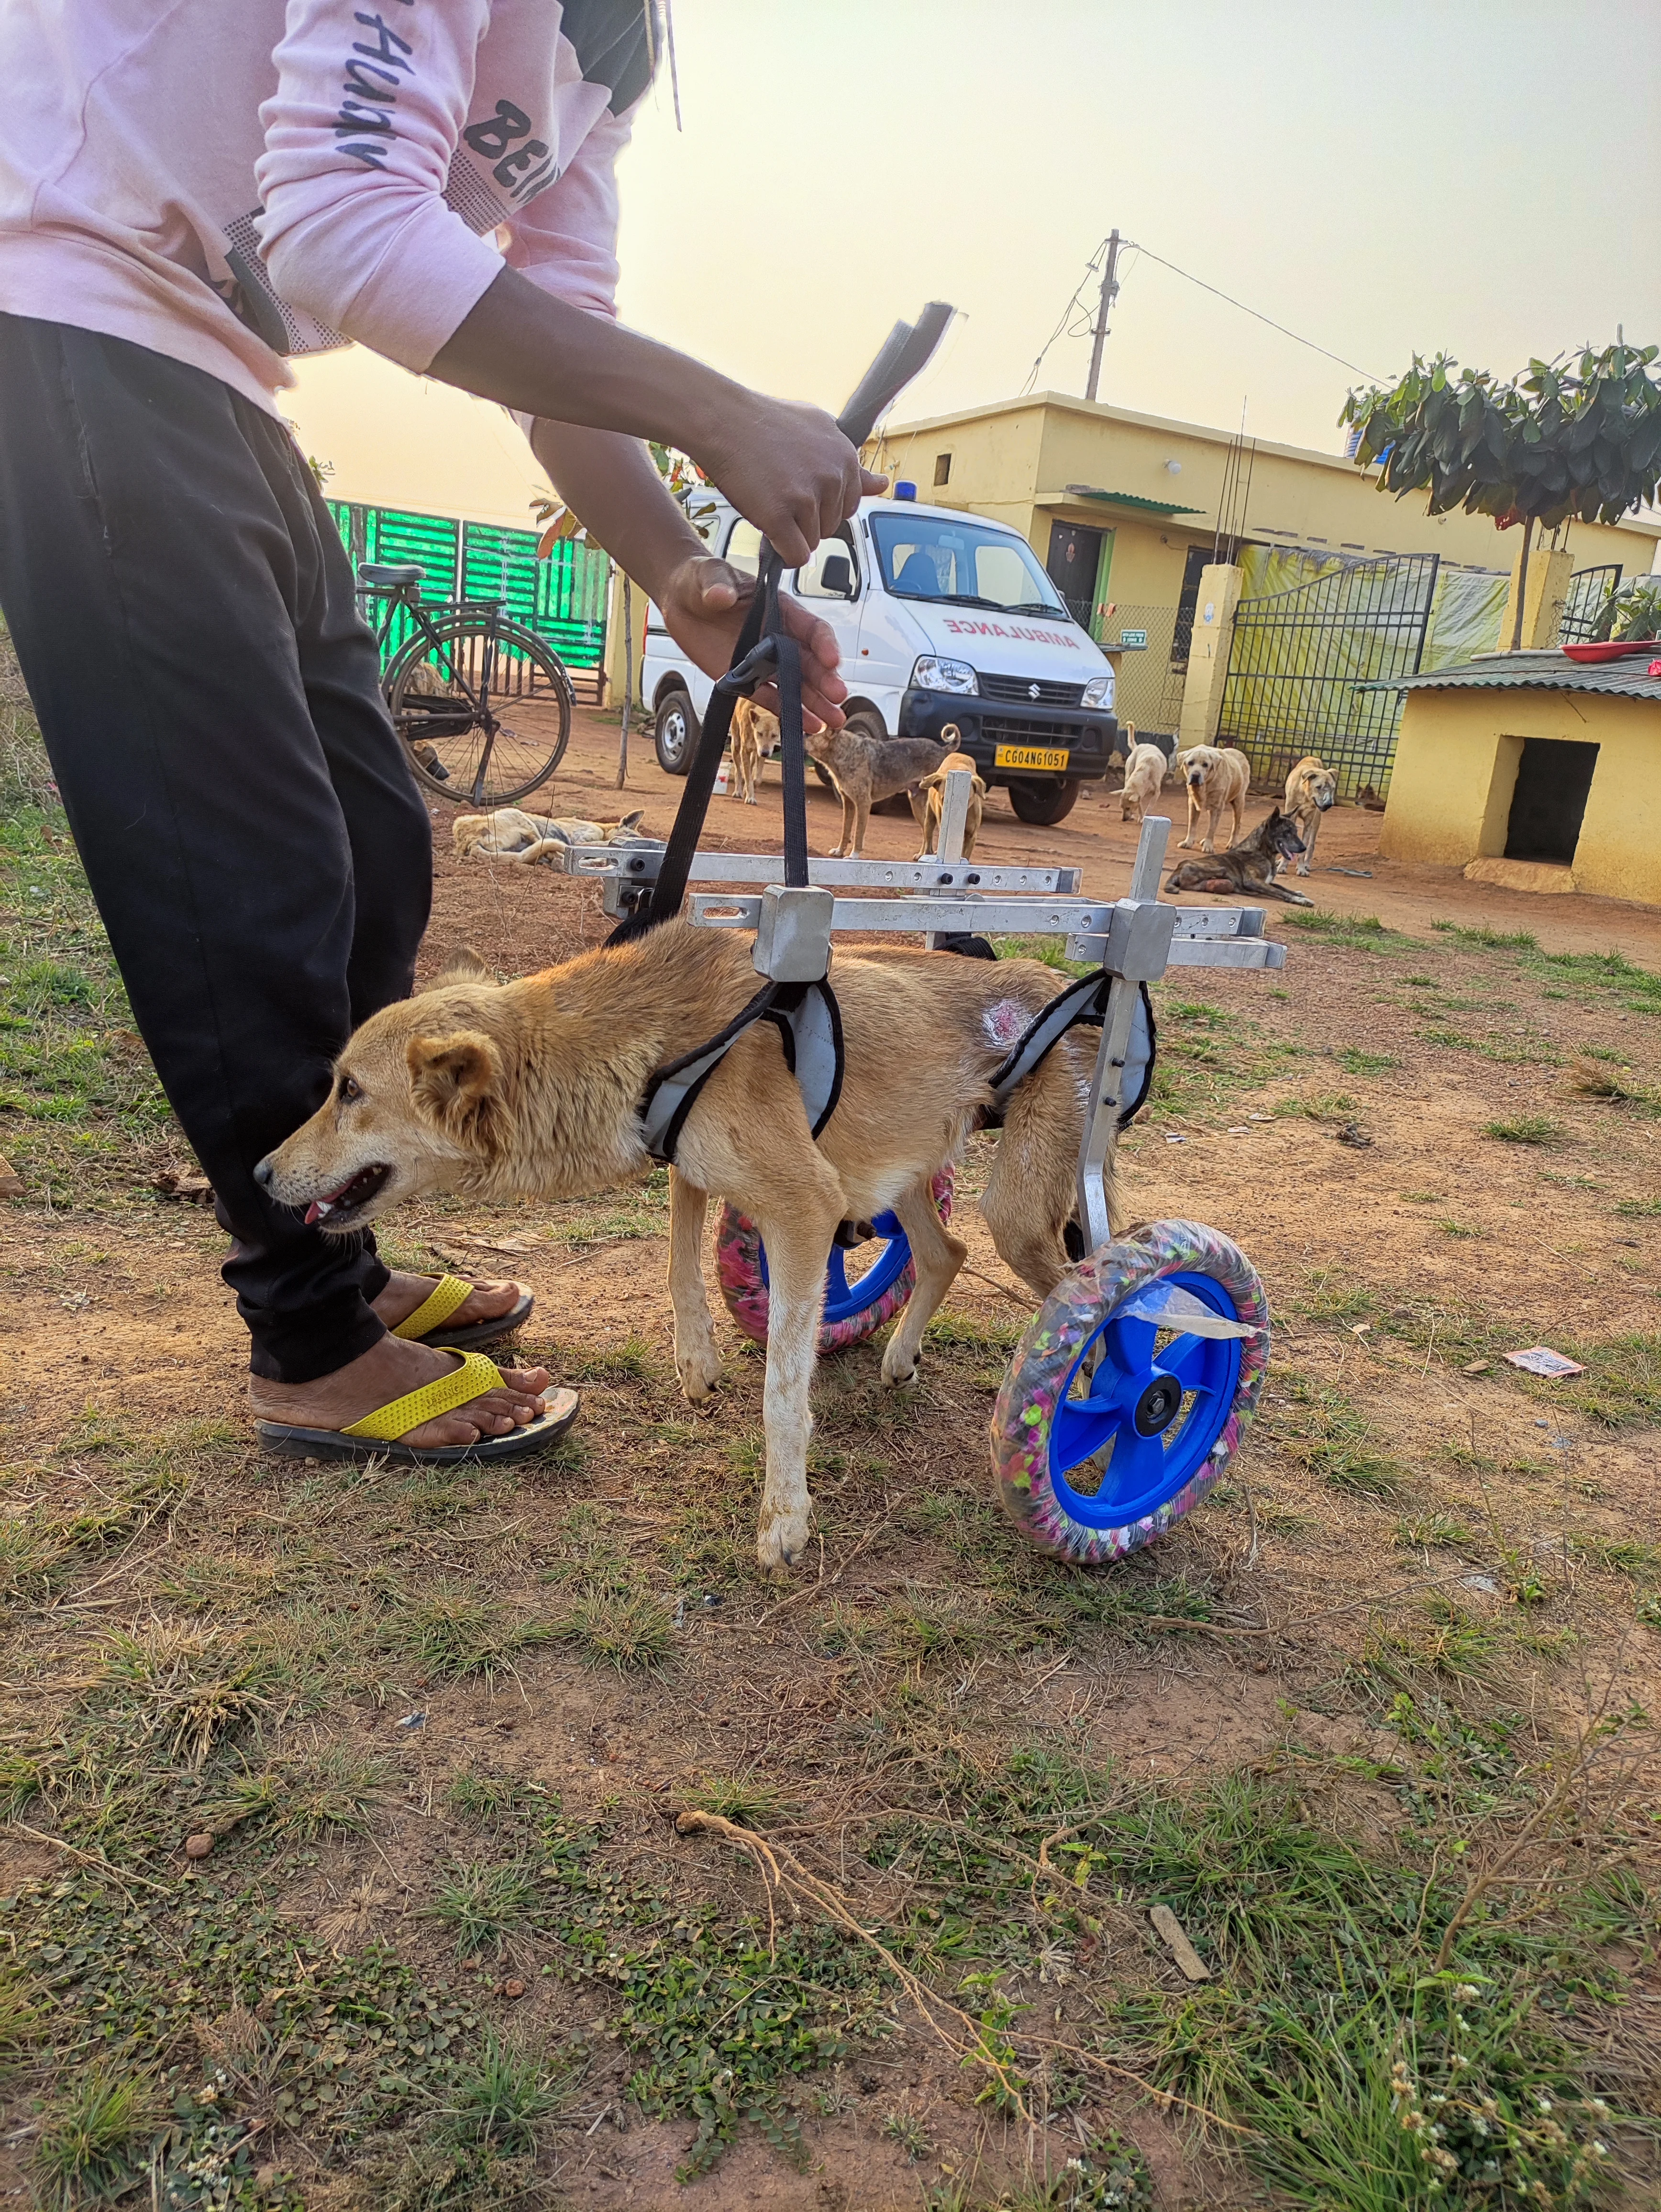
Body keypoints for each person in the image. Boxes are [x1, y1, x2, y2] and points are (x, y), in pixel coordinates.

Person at [0, 2, 880, 1462]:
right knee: (250, 875)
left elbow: (564, 357)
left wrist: (685, 577)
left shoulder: (601, 64)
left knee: (374, 837)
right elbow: (343, 232)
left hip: (219, 371)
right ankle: (311, 1338)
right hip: (70, 317)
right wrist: (723, 412)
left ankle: (336, 1250)